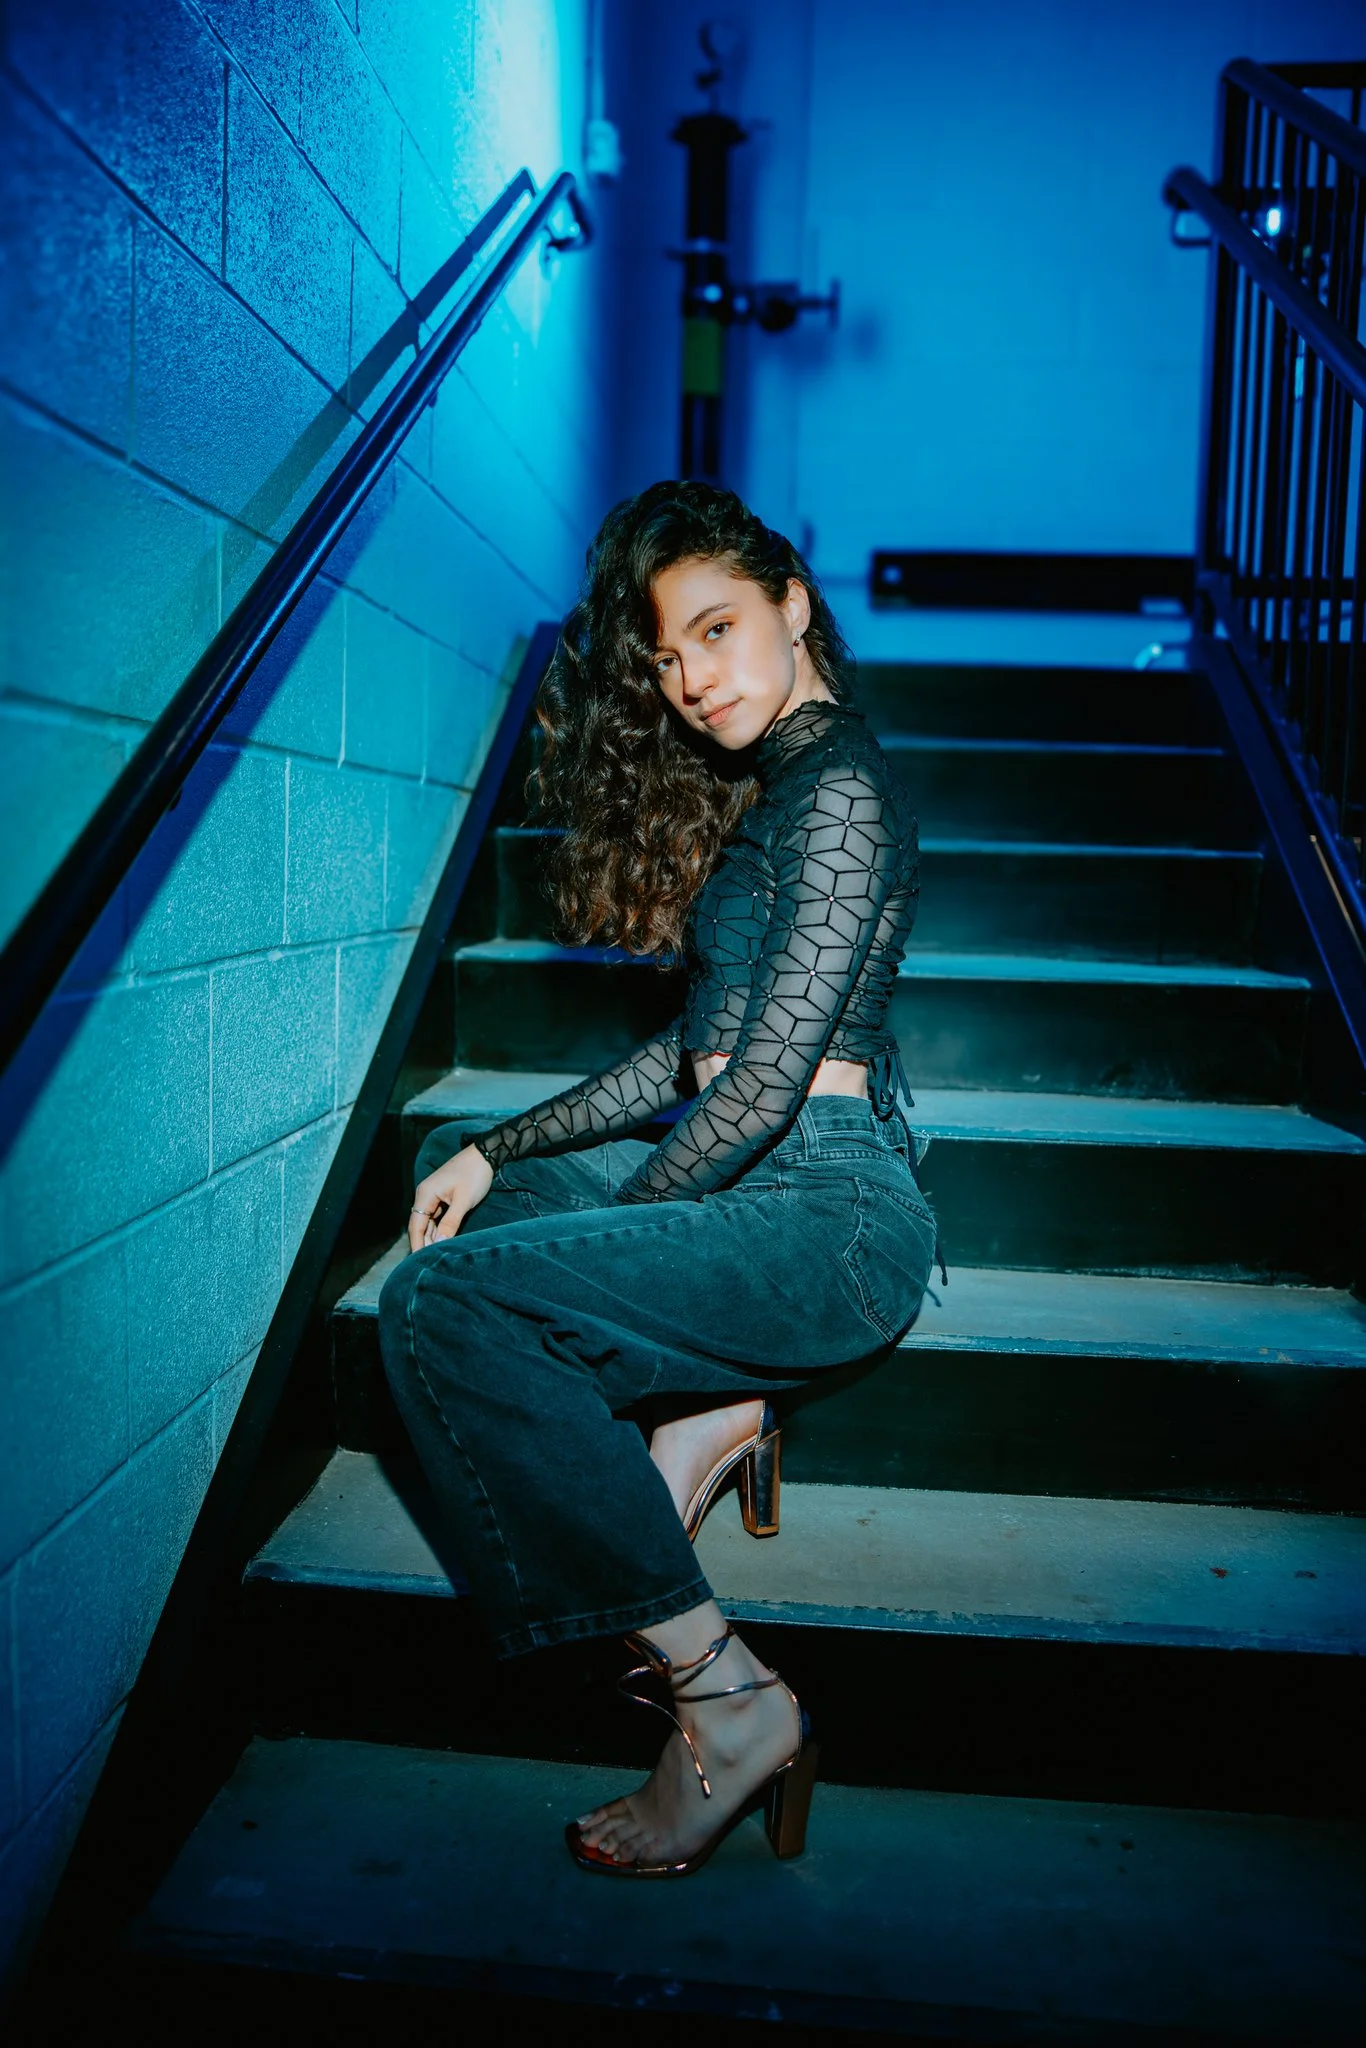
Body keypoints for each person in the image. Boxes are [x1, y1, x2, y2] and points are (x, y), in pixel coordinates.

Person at [377, 478, 945, 1877]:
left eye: (715, 630)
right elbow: (684, 1064)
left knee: (444, 1312)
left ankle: (727, 1698)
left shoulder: (843, 791)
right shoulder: (777, 794)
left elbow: (758, 1091)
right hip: (760, 1174)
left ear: (791, 607)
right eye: (668, 657)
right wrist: (487, 1146)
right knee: (482, 1229)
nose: (693, 678)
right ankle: (715, 1404)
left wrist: (616, 1259)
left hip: (826, 1209)